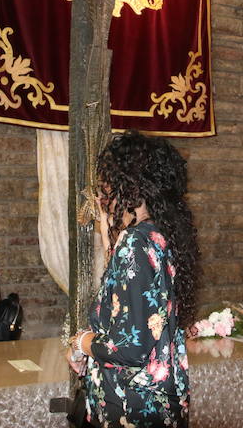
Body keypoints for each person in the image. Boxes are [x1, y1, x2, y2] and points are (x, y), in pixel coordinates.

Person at [67, 131, 200, 428]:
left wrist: (81, 342)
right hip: (158, 400)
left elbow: (131, 348)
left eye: (108, 181)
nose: (102, 193)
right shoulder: (161, 236)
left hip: (130, 405)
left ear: (130, 185)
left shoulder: (136, 243)